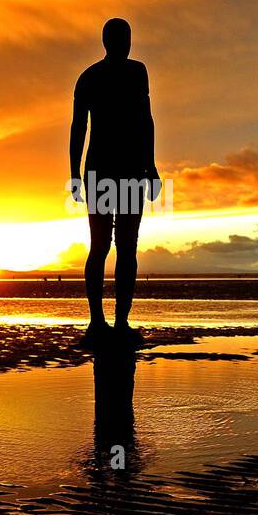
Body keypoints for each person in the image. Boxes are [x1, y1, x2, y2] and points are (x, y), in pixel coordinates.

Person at [69, 18, 159, 348]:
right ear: (109, 41)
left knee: (125, 245)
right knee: (102, 245)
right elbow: (78, 127)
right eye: (122, 39)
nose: (127, 44)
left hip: (130, 169)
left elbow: (145, 119)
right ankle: (98, 321)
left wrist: (151, 167)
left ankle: (120, 322)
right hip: (103, 171)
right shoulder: (90, 78)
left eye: (129, 38)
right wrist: (74, 173)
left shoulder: (137, 72)